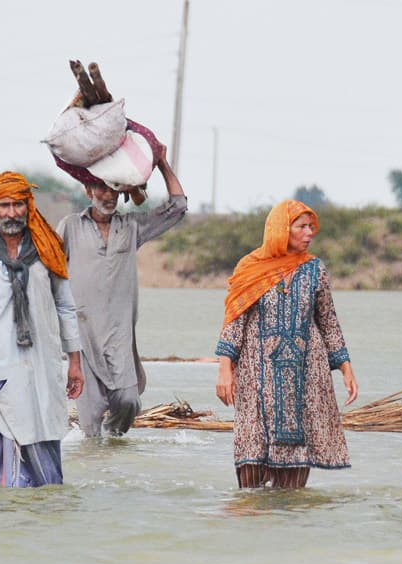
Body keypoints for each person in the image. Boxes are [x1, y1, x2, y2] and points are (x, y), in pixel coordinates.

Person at [0, 171, 84, 487]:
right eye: (4, 205)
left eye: (18, 205)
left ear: (29, 206)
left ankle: (42, 521)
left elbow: (66, 307)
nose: (11, 213)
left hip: (40, 371)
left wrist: (75, 362)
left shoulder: (49, 252)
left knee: (44, 460)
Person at [214, 199, 358, 489]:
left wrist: (345, 367)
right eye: (302, 227)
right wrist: (224, 369)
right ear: (282, 229)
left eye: (311, 227)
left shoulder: (315, 270)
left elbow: (328, 320)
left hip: (305, 375)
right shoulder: (250, 268)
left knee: (293, 482)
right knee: (251, 457)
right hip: (256, 374)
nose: (309, 233)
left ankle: (292, 528)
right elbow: (233, 320)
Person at [56, 140, 187, 438]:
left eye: (114, 188)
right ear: (88, 191)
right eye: (101, 188)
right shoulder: (70, 227)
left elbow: (178, 207)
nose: (108, 195)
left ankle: (116, 453)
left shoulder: (131, 228)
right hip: (83, 342)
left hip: (120, 340)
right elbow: (48, 269)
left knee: (128, 404)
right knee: (90, 430)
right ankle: (97, 474)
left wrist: (163, 164)